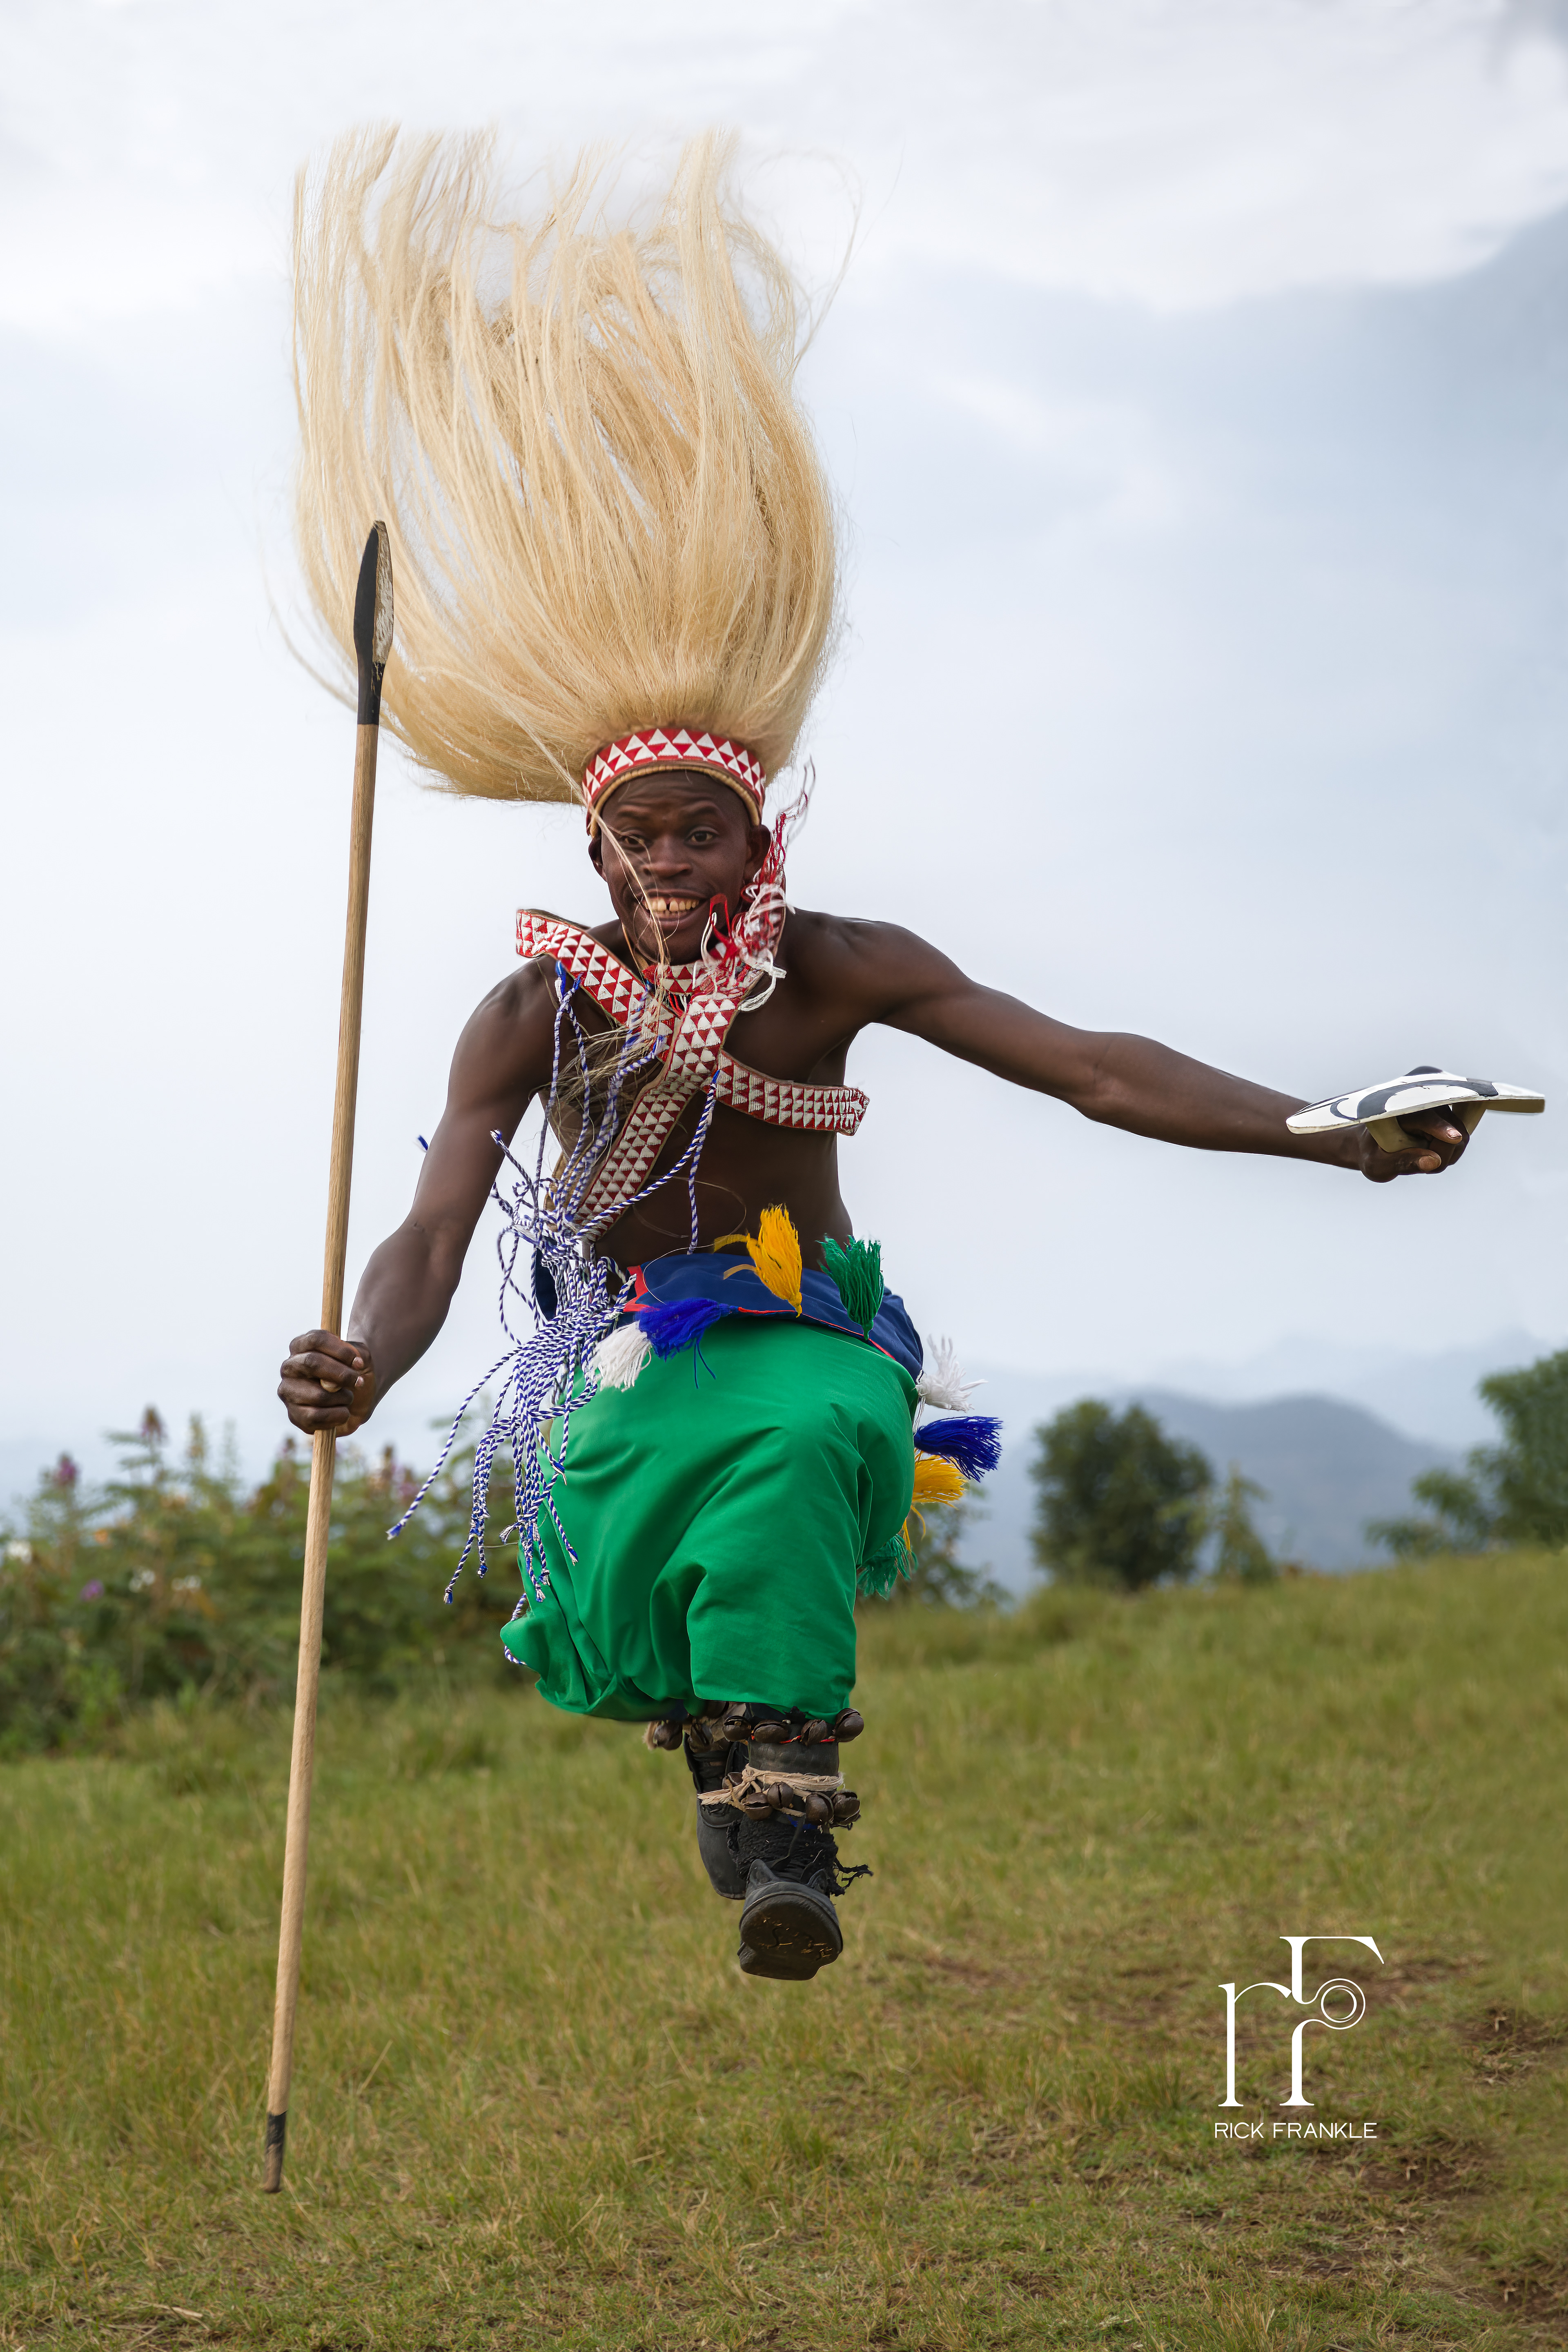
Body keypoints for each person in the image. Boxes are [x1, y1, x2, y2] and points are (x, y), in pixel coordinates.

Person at [277, 128, 1469, 1983]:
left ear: (764, 842)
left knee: (805, 1439)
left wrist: (1330, 1131)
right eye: (641, 841)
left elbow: (1083, 1063)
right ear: (593, 854)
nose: (672, 866)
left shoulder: (840, 968)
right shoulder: (539, 1008)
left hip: (810, 1328)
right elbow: (437, 1220)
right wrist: (368, 1352)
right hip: (628, 1342)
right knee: (640, 1573)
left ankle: (791, 1829)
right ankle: (724, 1761)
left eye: (705, 835)